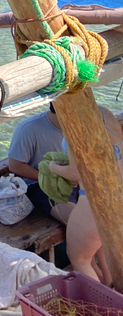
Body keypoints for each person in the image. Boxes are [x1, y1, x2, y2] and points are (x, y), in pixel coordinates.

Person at [49, 106, 123, 285]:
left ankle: (102, 309)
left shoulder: (73, 124)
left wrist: (53, 167)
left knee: (79, 258)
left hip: (94, 198)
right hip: (119, 190)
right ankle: (109, 286)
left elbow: (77, 173)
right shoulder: (106, 113)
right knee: (108, 250)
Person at [7, 103, 78, 224]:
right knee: (77, 221)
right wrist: (54, 178)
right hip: (41, 185)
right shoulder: (28, 129)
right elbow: (15, 166)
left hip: (74, 181)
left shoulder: (80, 126)